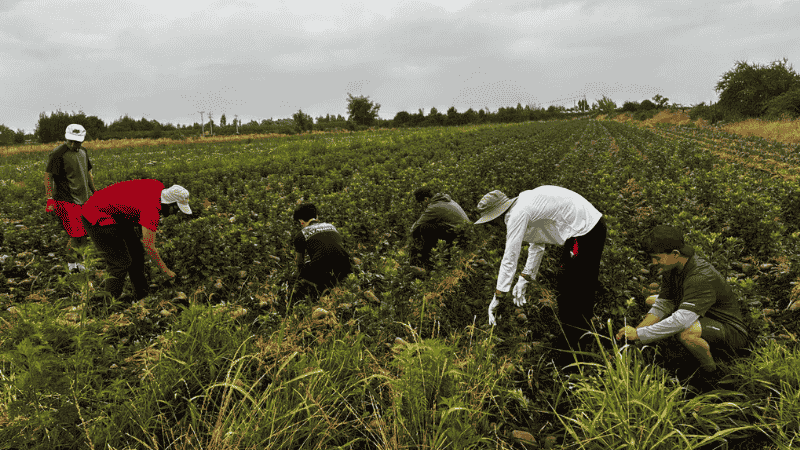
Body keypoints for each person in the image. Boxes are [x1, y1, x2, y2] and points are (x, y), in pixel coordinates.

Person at [475, 186, 606, 358]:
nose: (493, 226)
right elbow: (537, 244)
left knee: (571, 290)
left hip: (585, 233)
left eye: (491, 221)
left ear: (498, 215)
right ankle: (579, 342)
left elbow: (510, 256)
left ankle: (575, 351)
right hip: (586, 231)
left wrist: (499, 296)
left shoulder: (516, 213)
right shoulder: (524, 204)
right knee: (571, 286)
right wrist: (525, 277)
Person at [616, 225, 750, 389]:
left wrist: (640, 334)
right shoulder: (672, 268)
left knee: (688, 333)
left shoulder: (700, 277)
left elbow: (681, 321)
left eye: (657, 258)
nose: (654, 262)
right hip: (702, 317)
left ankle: (713, 376)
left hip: (731, 332)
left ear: (675, 254)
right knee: (652, 300)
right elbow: (662, 305)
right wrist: (634, 335)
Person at [80, 179, 191, 302]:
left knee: (136, 251)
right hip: (96, 214)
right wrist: (166, 271)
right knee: (120, 262)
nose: (175, 213)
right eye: (176, 209)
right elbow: (150, 247)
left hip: (116, 214)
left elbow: (133, 201)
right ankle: (105, 305)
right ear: (170, 203)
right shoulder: (151, 208)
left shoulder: (157, 186)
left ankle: (142, 296)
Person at [45, 124, 97, 271]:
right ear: (66, 138)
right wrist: (49, 198)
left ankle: (81, 264)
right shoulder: (57, 153)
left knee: (84, 234)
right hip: (66, 200)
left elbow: (88, 174)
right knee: (76, 235)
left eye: (77, 142)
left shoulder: (84, 152)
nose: (73, 144)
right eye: (70, 141)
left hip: (84, 200)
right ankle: (71, 266)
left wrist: (95, 192)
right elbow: (48, 176)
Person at [291, 202, 352, 300]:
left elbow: (299, 263)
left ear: (301, 221)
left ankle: (317, 290)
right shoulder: (331, 226)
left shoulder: (301, 234)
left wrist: (301, 276)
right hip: (345, 266)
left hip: (322, 270)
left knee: (301, 275)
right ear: (316, 216)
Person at [409, 186, 471, 268]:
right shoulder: (447, 200)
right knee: (432, 226)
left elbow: (416, 226)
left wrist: (410, 240)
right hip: (468, 232)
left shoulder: (434, 207)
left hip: (460, 235)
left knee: (424, 228)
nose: (422, 206)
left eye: (421, 203)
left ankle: (427, 262)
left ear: (426, 199)